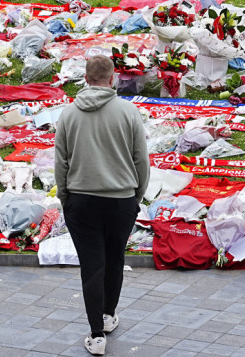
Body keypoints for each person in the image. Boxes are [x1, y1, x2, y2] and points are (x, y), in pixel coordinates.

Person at [54, 55, 149, 357]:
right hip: (121, 200)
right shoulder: (128, 112)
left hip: (82, 201)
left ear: (85, 78)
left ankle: (96, 336)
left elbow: (61, 162)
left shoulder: (69, 114)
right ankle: (108, 314)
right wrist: (136, 195)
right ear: (112, 78)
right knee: (114, 259)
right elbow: (141, 159)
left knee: (92, 267)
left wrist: (65, 197)